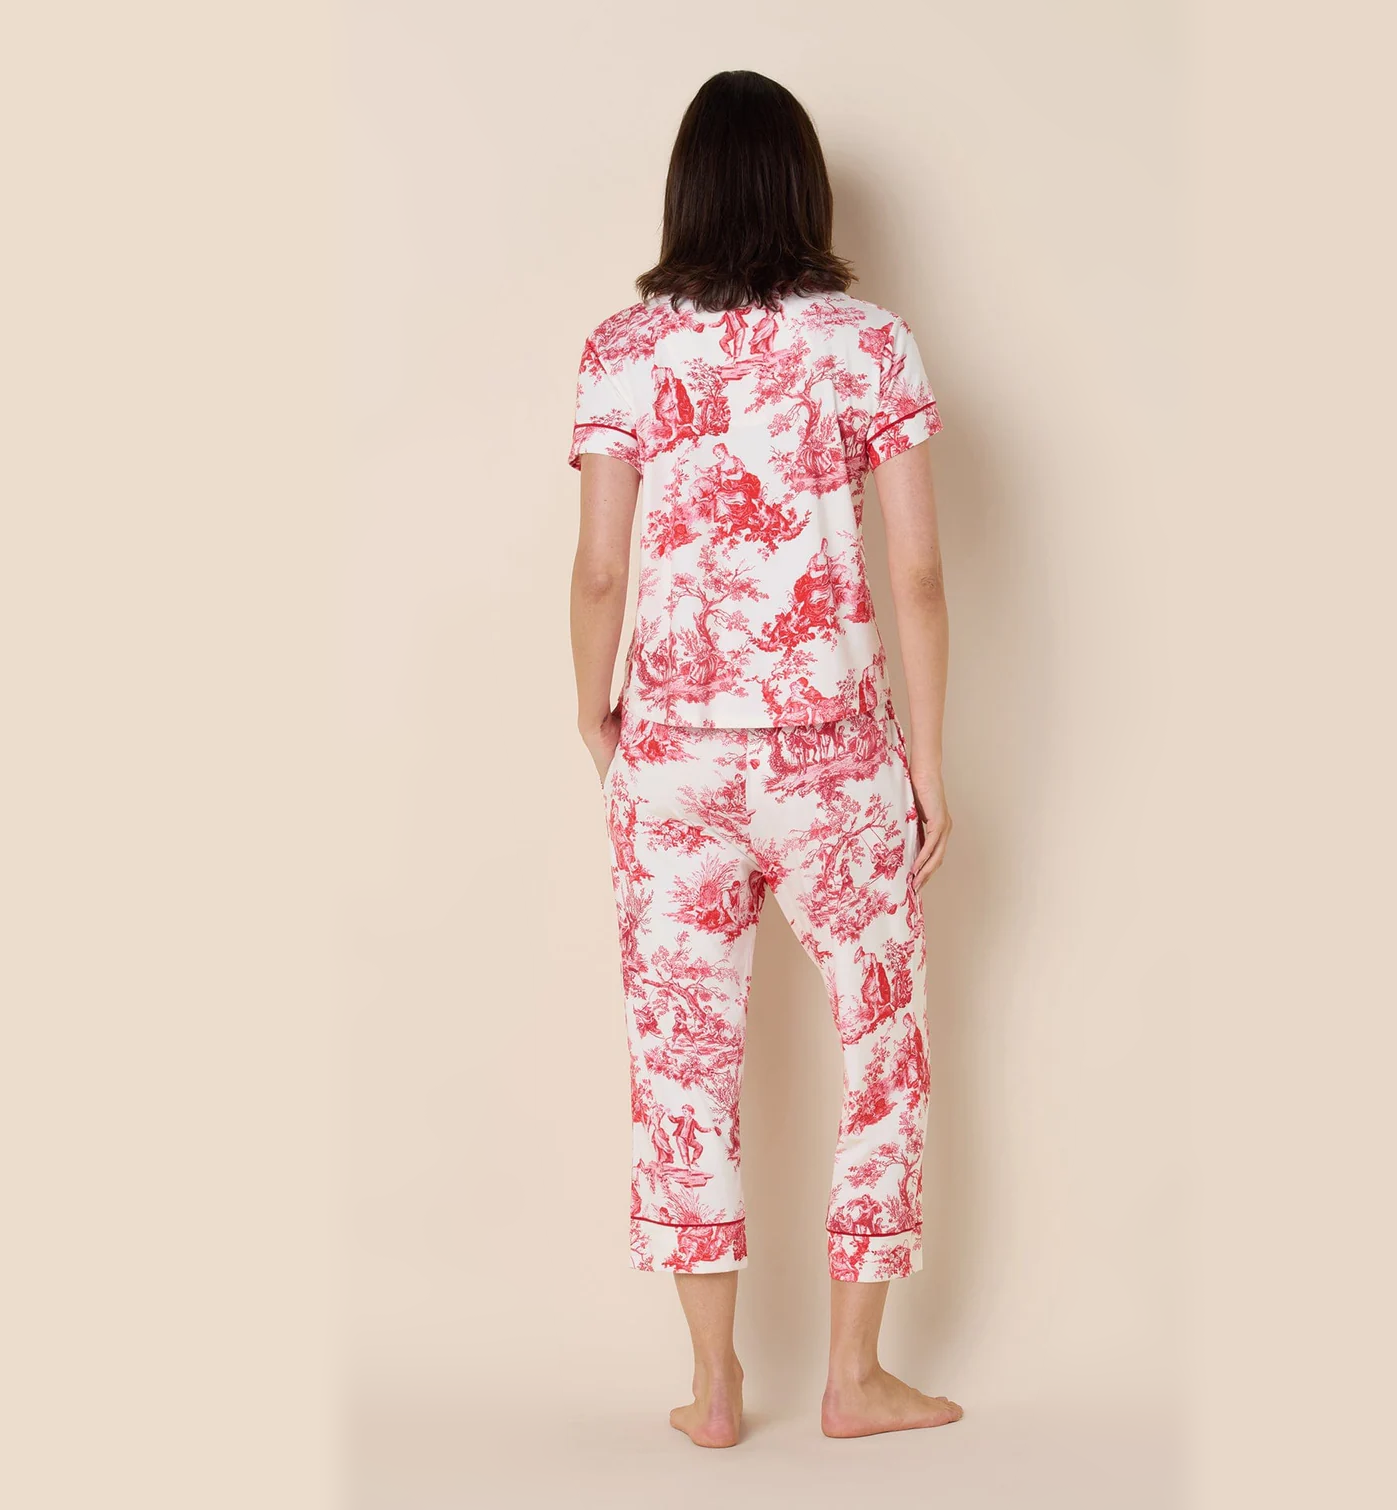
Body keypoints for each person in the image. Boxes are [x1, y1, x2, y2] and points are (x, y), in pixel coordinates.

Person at [567, 70, 959, 1447]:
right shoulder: (870, 345)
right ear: (806, 189)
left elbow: (599, 570)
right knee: (881, 1049)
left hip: (672, 764)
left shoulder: (623, 348)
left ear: (685, 190)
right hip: (836, 762)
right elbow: (917, 573)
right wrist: (928, 762)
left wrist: (594, 711)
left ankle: (715, 1384)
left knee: (682, 1064)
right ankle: (855, 1378)